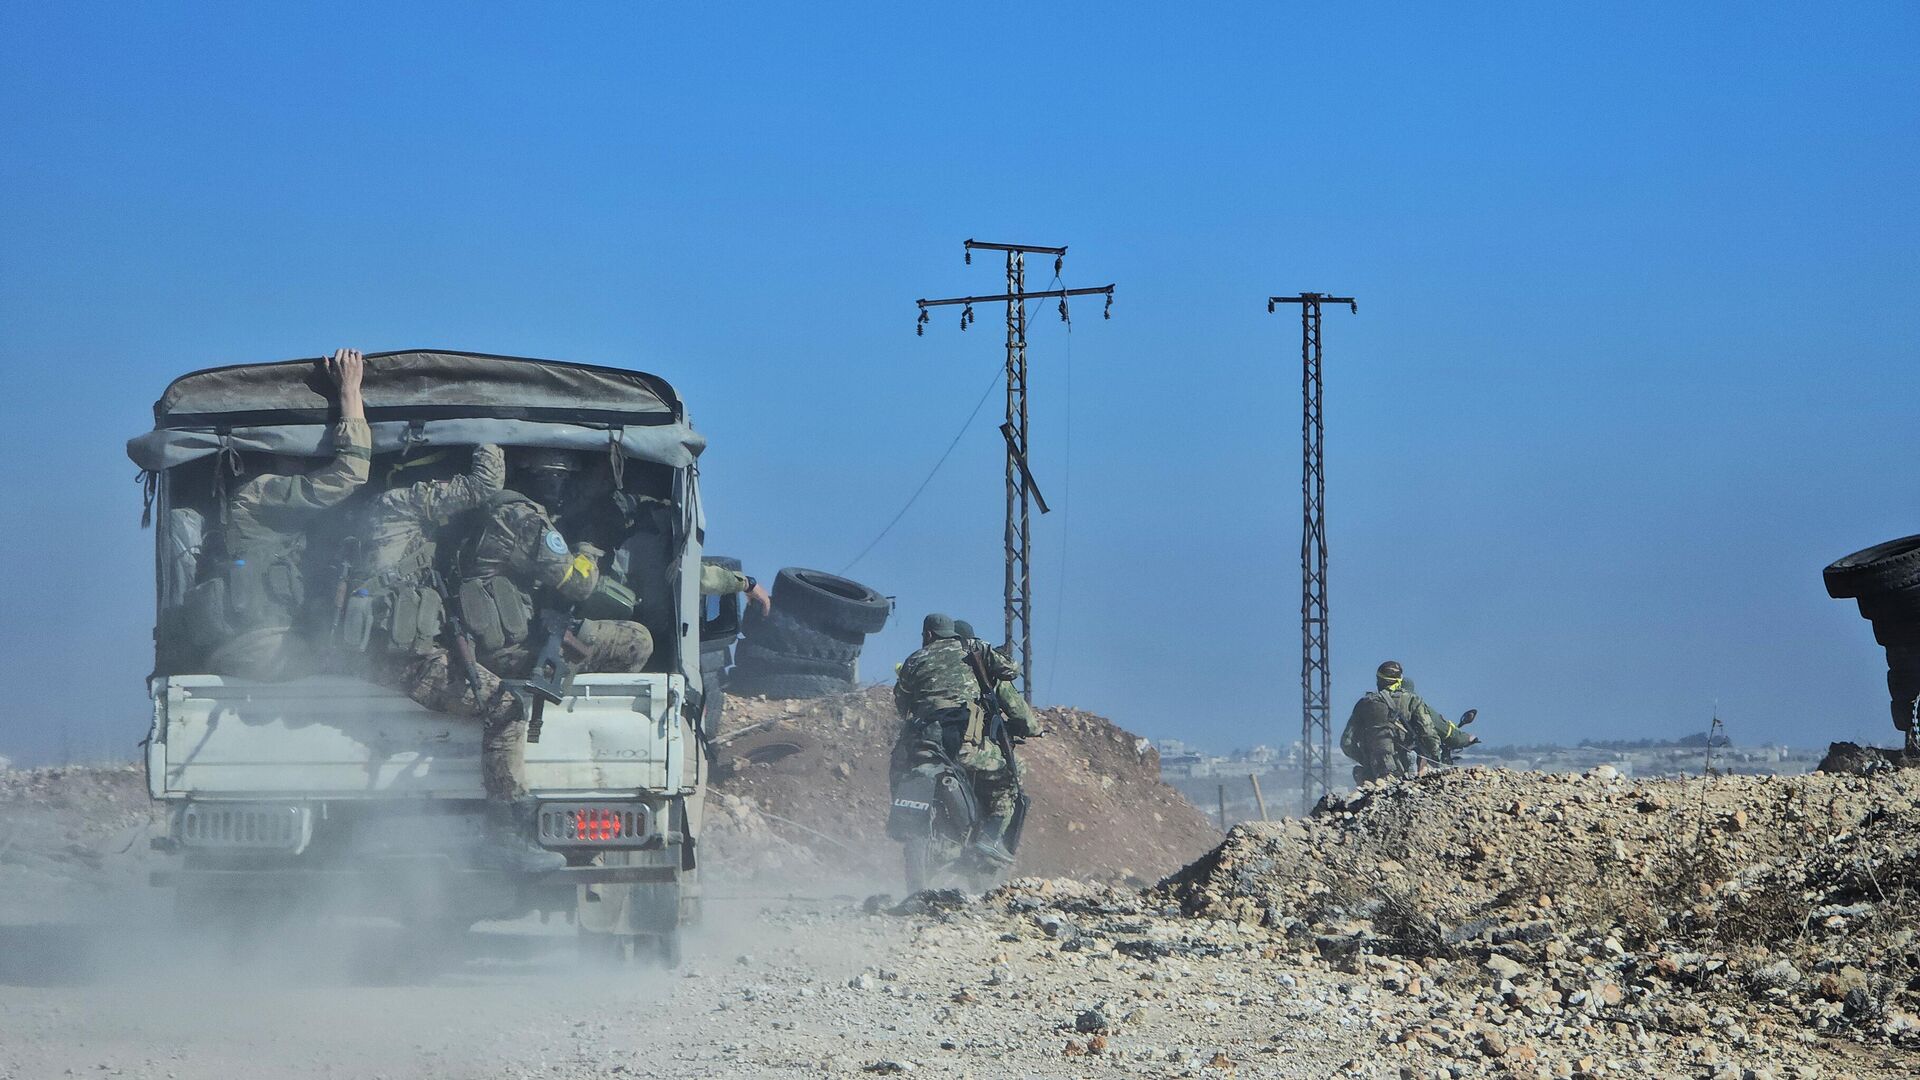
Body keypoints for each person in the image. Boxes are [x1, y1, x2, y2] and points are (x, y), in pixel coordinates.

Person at [197, 348, 371, 680]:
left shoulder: (282, 517)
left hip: (272, 645)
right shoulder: (260, 494)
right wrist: (350, 391)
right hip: (265, 647)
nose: (307, 465)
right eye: (301, 454)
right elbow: (350, 474)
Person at [891, 613, 1042, 864]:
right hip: (961, 744)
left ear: (928, 635)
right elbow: (1014, 685)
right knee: (1013, 774)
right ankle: (989, 837)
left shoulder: (914, 660)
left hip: (918, 742)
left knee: (900, 770)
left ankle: (906, 817)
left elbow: (901, 702)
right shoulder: (976, 654)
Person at [1340, 660, 1477, 782]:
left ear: (1378, 681)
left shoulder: (1364, 704)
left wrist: (1366, 760)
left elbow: (1346, 743)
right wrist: (1437, 760)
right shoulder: (1411, 700)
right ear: (1399, 680)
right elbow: (1429, 733)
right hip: (1406, 769)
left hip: (1375, 771)